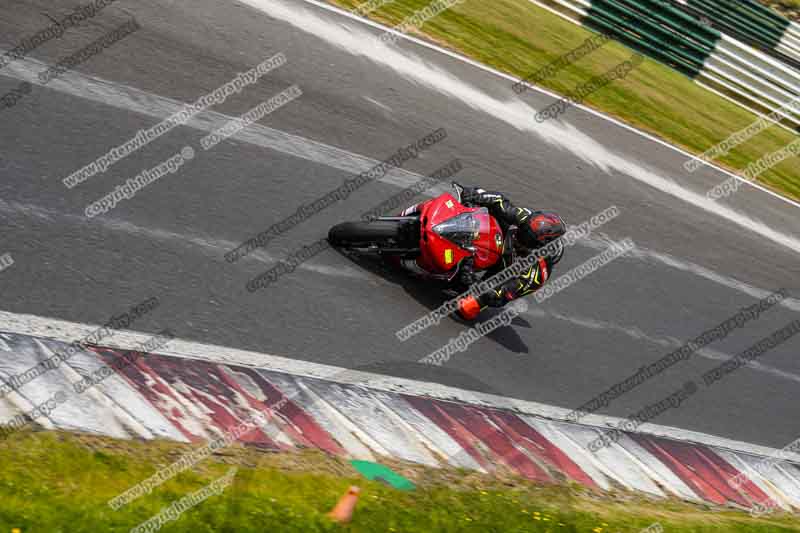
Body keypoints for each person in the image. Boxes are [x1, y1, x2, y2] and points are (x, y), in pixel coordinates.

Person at [400, 183, 566, 320]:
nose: (522, 234)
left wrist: (484, 290)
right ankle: (432, 224)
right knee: (473, 202)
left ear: (539, 246)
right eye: (524, 229)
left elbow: (509, 292)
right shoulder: (528, 219)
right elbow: (501, 203)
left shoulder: (538, 272)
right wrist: (476, 195)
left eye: (527, 238)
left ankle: (449, 274)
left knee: (467, 308)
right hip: (499, 235)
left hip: (503, 269)